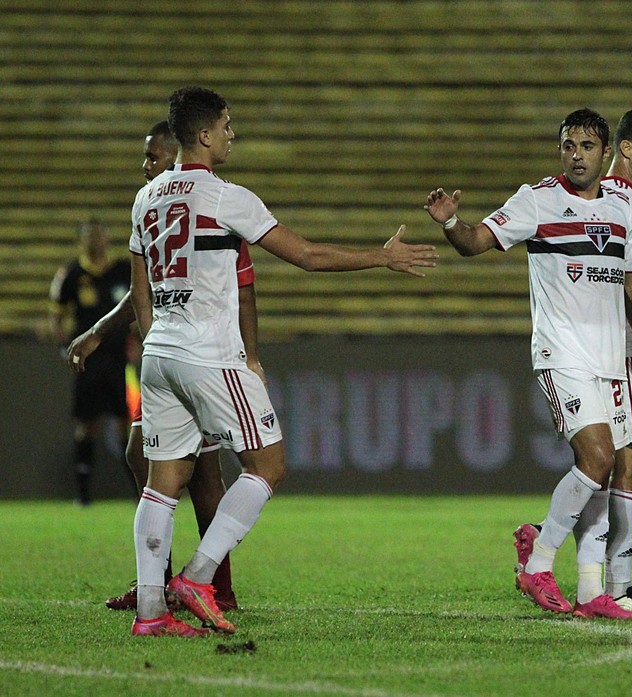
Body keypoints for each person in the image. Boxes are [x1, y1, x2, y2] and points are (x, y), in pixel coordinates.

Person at [129, 85, 437, 637]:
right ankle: (197, 579)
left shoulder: (146, 197)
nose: (232, 134)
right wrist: (381, 257)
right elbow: (307, 256)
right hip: (209, 355)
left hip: (159, 356)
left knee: (163, 480)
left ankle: (151, 616)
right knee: (268, 466)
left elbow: (141, 294)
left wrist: (161, 347)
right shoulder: (227, 197)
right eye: (226, 125)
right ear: (203, 135)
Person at [425, 108, 632, 620]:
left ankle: (593, 591)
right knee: (596, 458)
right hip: (561, 355)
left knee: (604, 470)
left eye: (586, 147)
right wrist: (452, 224)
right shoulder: (538, 200)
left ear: (603, 153)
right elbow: (476, 242)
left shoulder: (620, 207)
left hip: (609, 359)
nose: (576, 155)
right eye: (568, 146)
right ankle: (540, 561)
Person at [66, 120, 255, 612]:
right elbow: (141, 290)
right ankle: (163, 581)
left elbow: (241, 283)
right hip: (170, 361)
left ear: (176, 154)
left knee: (207, 474)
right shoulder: (156, 209)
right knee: (141, 454)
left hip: (202, 356)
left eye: (152, 156)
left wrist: (249, 354)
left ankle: (209, 586)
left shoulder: (200, 205)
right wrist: (98, 332)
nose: (144, 166)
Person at [510, 108, 632, 613]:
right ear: (624, 150)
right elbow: (630, 288)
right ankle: (611, 583)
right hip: (616, 349)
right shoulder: (617, 200)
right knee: (623, 461)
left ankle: (593, 583)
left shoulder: (621, 204)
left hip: (618, 348)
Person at [49, 219, 133, 506]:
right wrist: (64, 348)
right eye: (89, 236)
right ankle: (83, 495)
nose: (95, 240)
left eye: (99, 234)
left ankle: (141, 494)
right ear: (81, 241)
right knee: (86, 425)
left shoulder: (123, 270)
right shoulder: (72, 274)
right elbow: (57, 317)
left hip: (118, 359)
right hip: (88, 362)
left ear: (108, 239)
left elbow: (140, 307)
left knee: (125, 424)